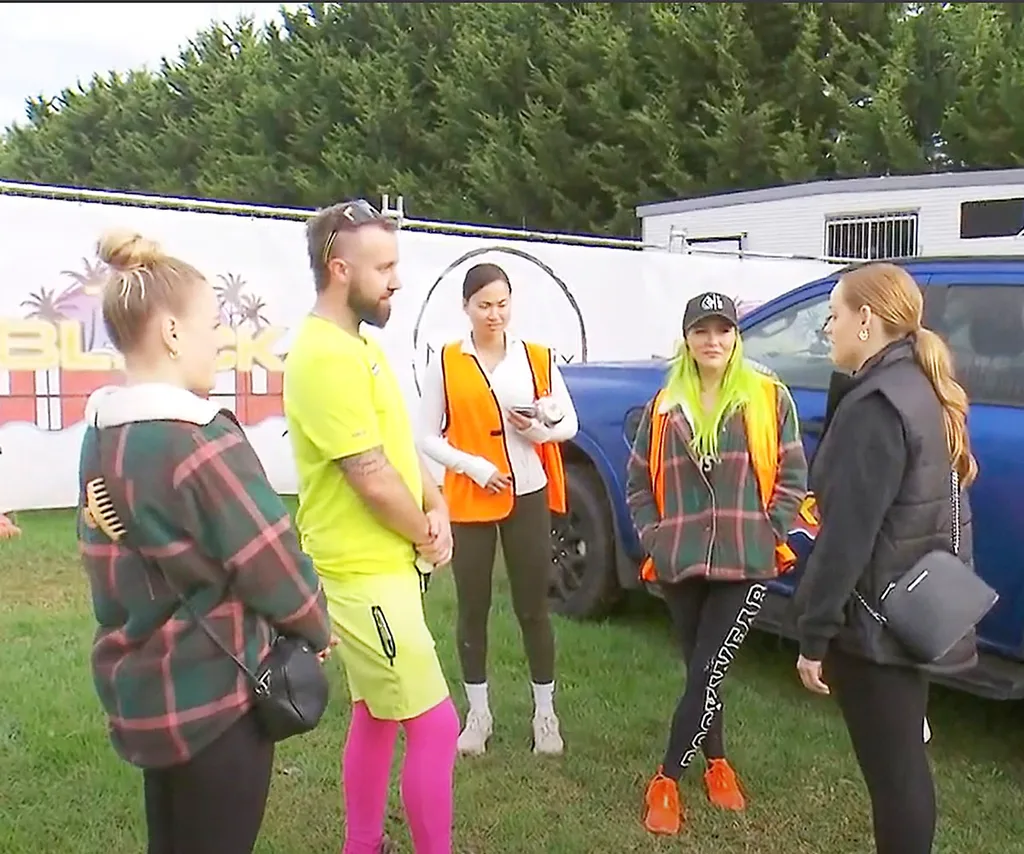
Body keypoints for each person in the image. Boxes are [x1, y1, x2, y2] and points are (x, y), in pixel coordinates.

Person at [77, 229, 333, 854]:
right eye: (213, 323)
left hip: (145, 691)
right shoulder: (197, 436)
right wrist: (316, 628)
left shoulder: (102, 436)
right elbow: (269, 557)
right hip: (217, 695)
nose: (222, 339)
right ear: (170, 332)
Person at [283, 200, 460, 854]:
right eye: (383, 267)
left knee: (377, 715)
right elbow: (368, 474)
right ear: (339, 269)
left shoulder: (362, 345)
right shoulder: (322, 356)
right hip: (362, 573)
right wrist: (424, 531)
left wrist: (435, 501)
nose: (396, 279)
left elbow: (397, 446)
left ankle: (362, 846)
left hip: (387, 567)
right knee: (435, 726)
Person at [793, 262, 978, 854]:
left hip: (876, 623)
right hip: (910, 606)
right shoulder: (916, 386)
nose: (829, 330)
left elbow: (846, 537)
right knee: (903, 765)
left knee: (895, 777)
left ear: (865, 320)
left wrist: (813, 634)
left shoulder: (877, 406)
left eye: (834, 316)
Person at [626, 291, 807, 836]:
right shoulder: (665, 405)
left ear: (736, 336)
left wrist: (771, 529)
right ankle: (718, 761)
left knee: (709, 669)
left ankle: (666, 779)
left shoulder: (767, 397)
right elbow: (638, 480)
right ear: (687, 338)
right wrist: (654, 536)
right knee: (702, 673)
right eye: (702, 331)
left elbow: (793, 473)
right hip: (680, 559)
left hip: (745, 559)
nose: (713, 341)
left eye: (722, 331)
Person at [418, 262, 579, 757]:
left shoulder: (537, 358)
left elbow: (566, 423)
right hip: (470, 497)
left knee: (533, 606)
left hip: (527, 494)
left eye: (502, 303)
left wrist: (537, 428)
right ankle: (479, 715)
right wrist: (472, 466)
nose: (494, 314)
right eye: (484, 304)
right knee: (473, 607)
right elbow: (424, 435)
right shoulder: (445, 360)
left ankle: (545, 716)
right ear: (466, 307)